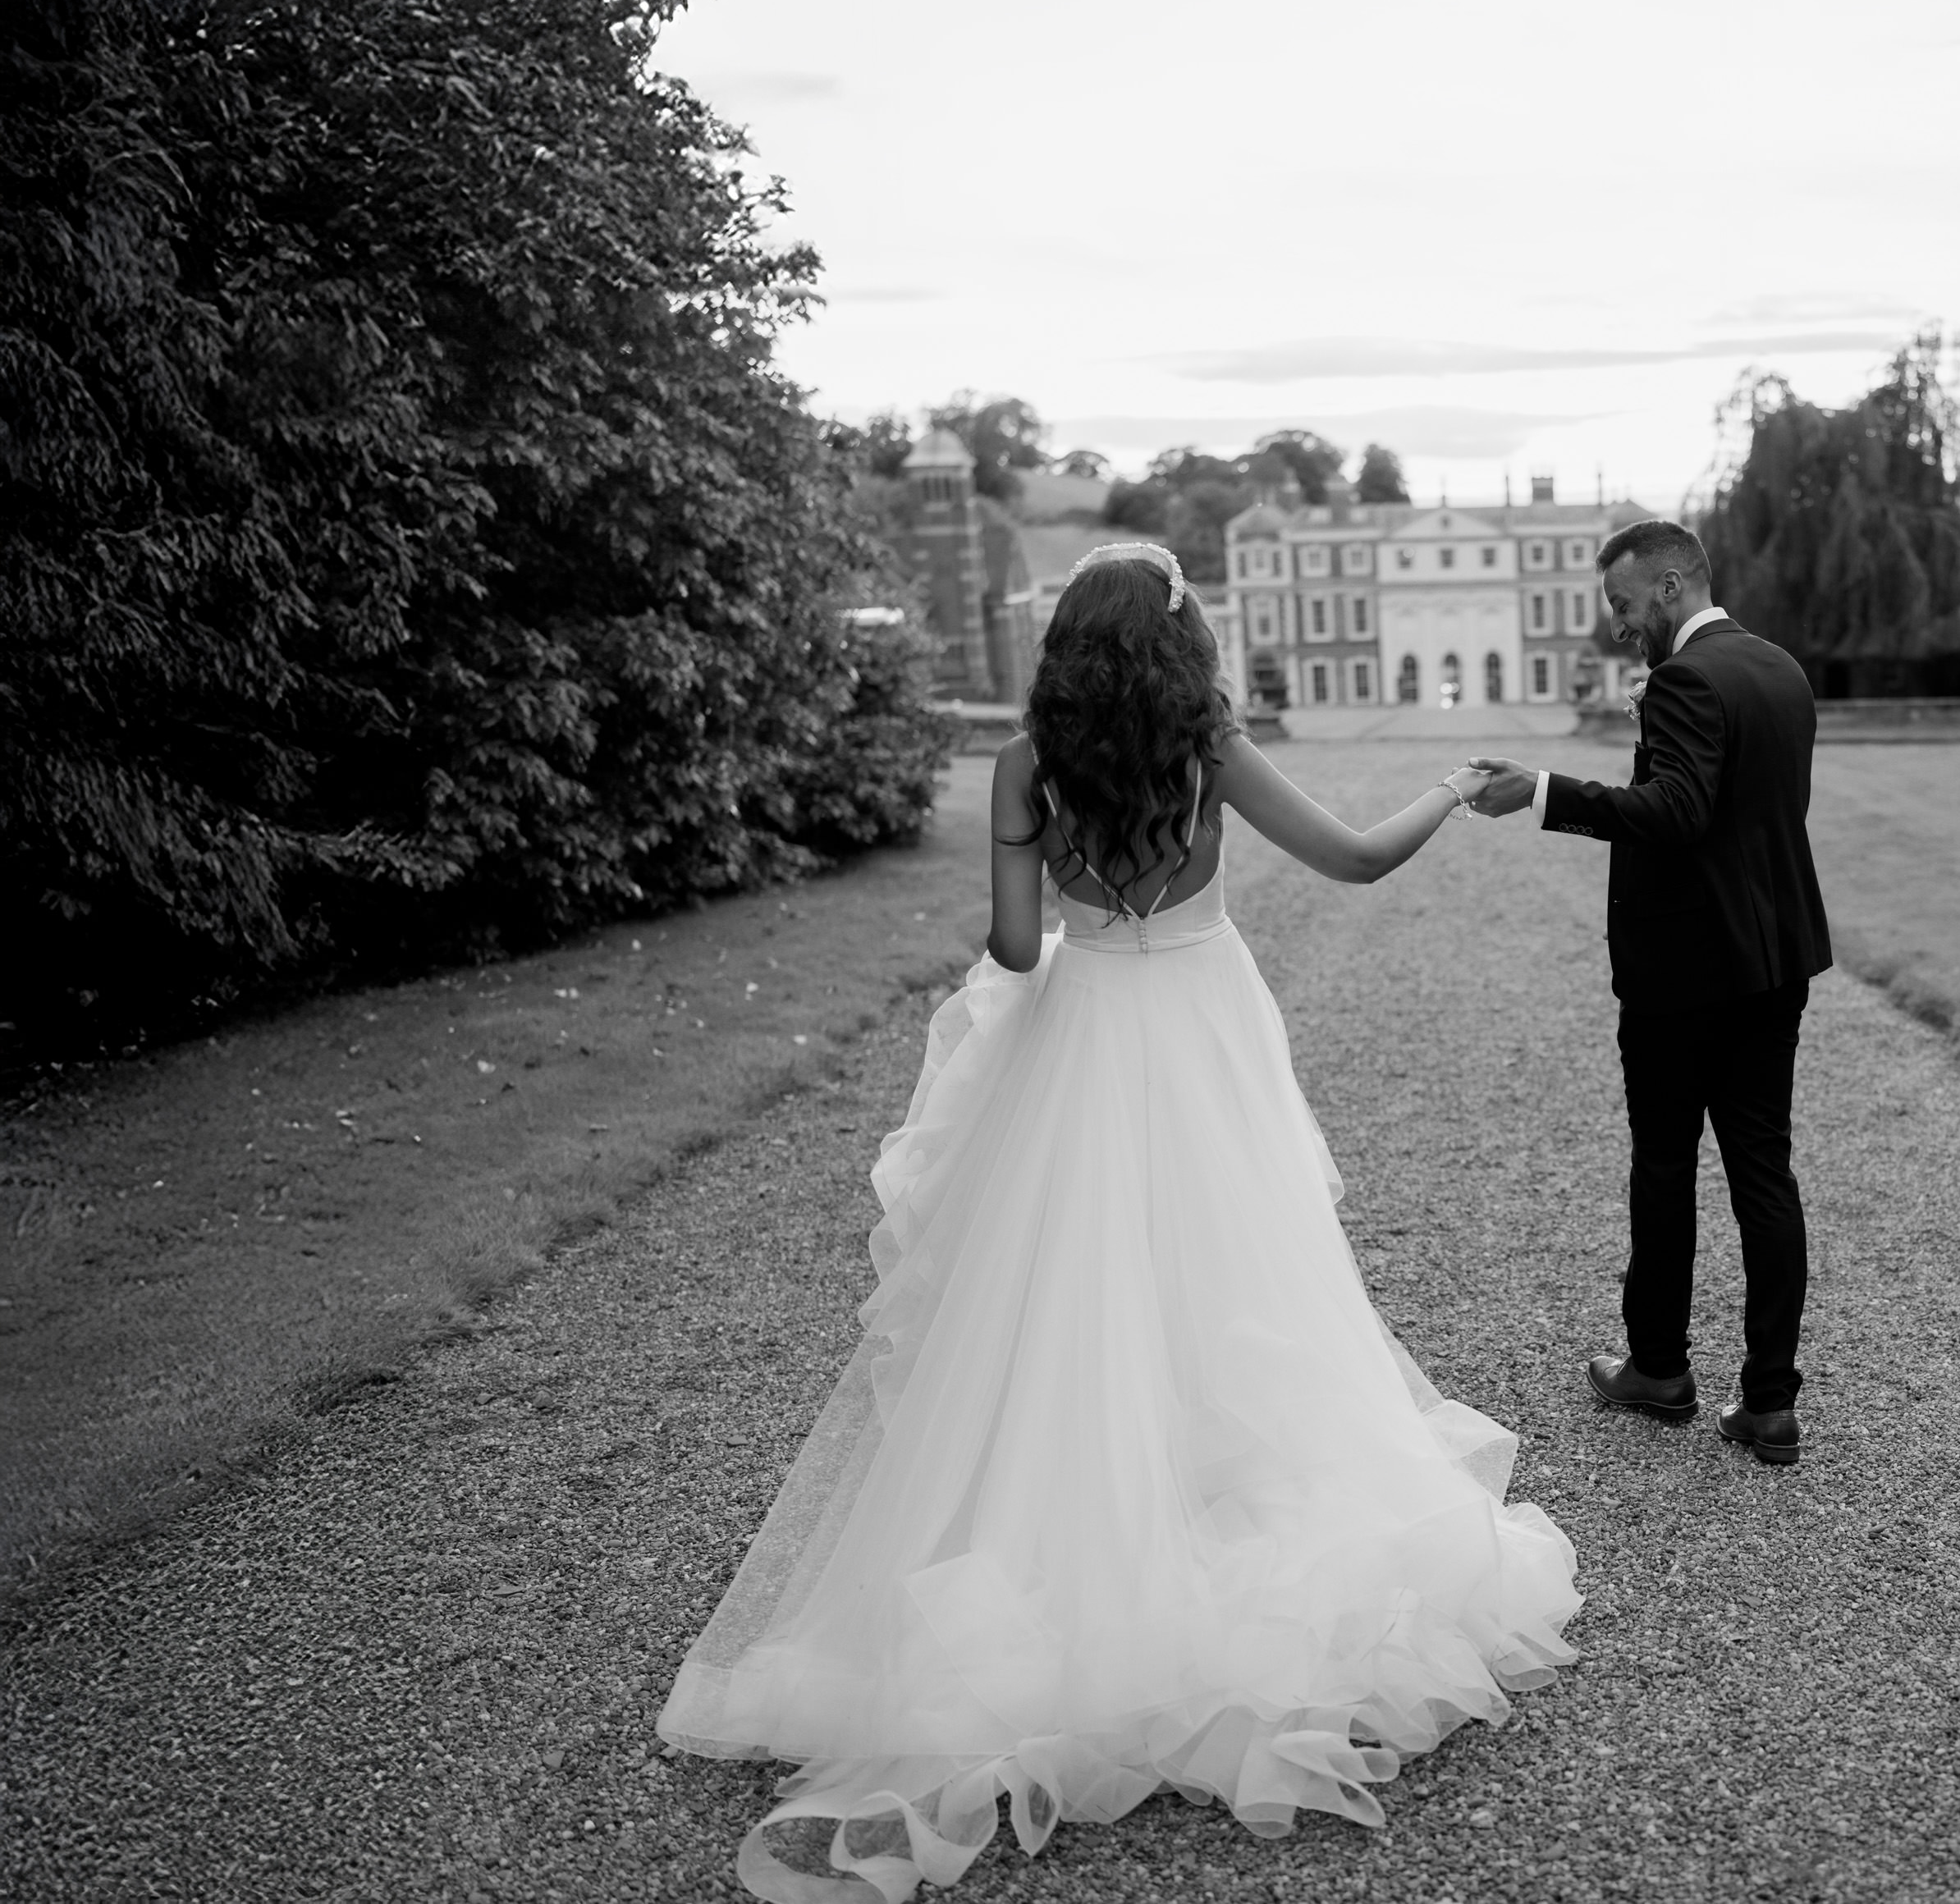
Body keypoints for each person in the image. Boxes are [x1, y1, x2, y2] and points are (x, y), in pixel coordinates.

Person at [658, 542, 1580, 1903]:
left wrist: (1043, 896)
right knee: (1234, 1280)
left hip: (1084, 1034)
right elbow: (1360, 862)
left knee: (1064, 1299)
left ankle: (1080, 1548)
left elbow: (1021, 951)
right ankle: (1205, 1521)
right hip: (1205, 1034)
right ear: (1176, 644)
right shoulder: (1212, 744)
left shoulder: (1027, 763)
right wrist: (1455, 782)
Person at [1463, 519, 1832, 1466]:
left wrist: (1544, 792)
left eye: (1625, 605)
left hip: (1684, 978)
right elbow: (1746, 819)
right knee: (1764, 1173)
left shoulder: (1683, 679)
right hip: (1772, 963)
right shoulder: (1779, 668)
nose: (1620, 626)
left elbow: (1676, 812)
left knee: (1664, 1164)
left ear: (1670, 585)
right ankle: (1770, 1403)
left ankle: (1659, 1368)